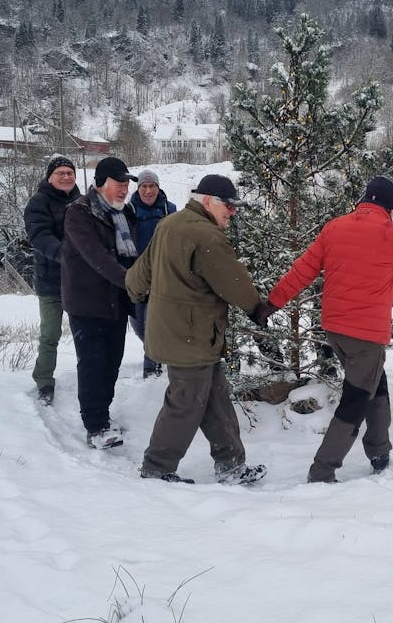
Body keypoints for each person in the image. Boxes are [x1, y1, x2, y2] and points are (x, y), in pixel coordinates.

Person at [262, 176, 393, 483]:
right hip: (366, 333)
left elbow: (303, 269)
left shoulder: (335, 227)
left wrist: (272, 303)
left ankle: (379, 450)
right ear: (391, 207)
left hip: (335, 328)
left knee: (376, 383)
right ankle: (322, 471)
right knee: (356, 399)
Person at [126, 174, 269, 484]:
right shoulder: (207, 236)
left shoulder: (169, 224)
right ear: (207, 201)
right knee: (185, 402)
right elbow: (233, 282)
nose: (232, 212)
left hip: (184, 333)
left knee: (216, 399)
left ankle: (231, 465)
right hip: (190, 335)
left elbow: (140, 273)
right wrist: (257, 308)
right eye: (228, 205)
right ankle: (156, 467)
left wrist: (133, 293)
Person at [61, 157, 138, 450]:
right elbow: (97, 257)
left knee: (112, 362)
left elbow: (133, 255)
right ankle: (95, 426)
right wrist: (132, 281)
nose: (124, 189)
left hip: (116, 300)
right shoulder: (79, 212)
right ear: (101, 183)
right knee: (93, 364)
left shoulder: (125, 212)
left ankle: (103, 414)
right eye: (119, 183)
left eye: (126, 184)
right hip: (87, 301)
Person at [23, 154, 81, 406]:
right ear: (50, 178)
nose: (66, 177)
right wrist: (67, 255)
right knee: (50, 333)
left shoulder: (81, 201)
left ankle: (88, 375)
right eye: (61, 173)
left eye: (70, 173)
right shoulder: (39, 202)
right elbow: (39, 235)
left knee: (85, 333)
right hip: (51, 282)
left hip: (79, 281)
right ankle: (44, 380)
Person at [129, 169, 176, 378]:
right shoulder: (128, 210)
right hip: (137, 275)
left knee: (151, 324)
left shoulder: (169, 209)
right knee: (138, 325)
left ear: (158, 187)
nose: (148, 191)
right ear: (138, 188)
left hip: (161, 275)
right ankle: (158, 350)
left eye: (152, 186)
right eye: (144, 187)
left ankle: (151, 368)